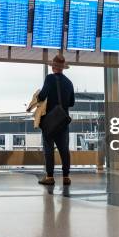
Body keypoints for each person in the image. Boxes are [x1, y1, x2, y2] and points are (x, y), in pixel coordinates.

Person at [37, 54, 75, 186]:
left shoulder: (49, 78)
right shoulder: (69, 82)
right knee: (64, 149)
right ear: (63, 68)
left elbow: (42, 96)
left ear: (53, 67)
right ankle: (66, 177)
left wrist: (38, 97)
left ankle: (49, 176)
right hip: (63, 120)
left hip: (50, 120)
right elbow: (72, 103)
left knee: (48, 148)